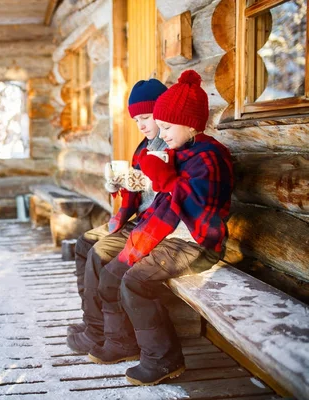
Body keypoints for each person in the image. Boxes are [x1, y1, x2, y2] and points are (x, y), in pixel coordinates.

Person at [91, 70, 234, 386]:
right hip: (173, 239)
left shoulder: (210, 156)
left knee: (135, 281)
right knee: (119, 269)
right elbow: (161, 205)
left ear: (191, 124)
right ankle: (130, 344)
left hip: (199, 245)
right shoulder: (181, 152)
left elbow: (199, 213)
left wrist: (167, 180)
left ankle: (163, 359)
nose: (162, 133)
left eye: (167, 126)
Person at [67, 78, 168, 352]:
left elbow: (166, 193)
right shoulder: (144, 146)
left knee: (99, 254)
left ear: (163, 111)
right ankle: (93, 323)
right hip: (139, 219)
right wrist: (120, 184)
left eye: (146, 117)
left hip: (157, 226)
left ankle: (104, 333)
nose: (142, 125)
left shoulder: (170, 144)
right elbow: (139, 194)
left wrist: (141, 181)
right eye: (136, 120)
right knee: (85, 243)